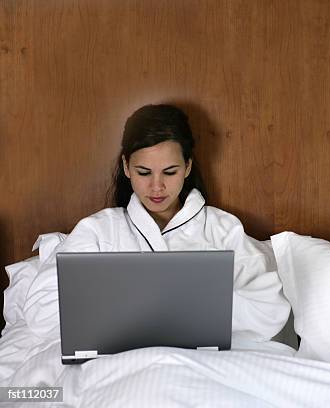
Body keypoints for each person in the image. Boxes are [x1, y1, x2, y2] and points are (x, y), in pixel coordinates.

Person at [23, 104, 290, 341]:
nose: (157, 186)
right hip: (118, 367)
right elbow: (40, 314)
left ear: (187, 167)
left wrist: (186, 304)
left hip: (204, 365)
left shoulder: (222, 229)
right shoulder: (98, 231)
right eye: (144, 172)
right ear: (126, 167)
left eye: (170, 172)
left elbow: (270, 311)